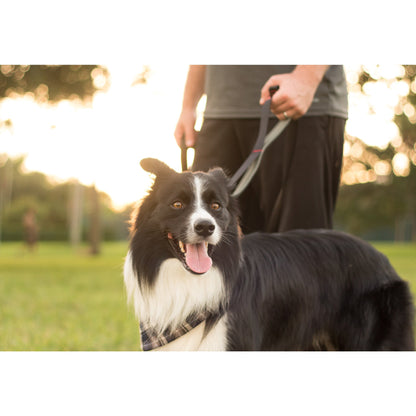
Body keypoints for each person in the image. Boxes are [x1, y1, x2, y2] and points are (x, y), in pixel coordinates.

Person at [174, 65, 348, 234]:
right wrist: (188, 106)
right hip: (218, 111)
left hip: (298, 108)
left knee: (299, 249)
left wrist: (306, 78)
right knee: (208, 245)